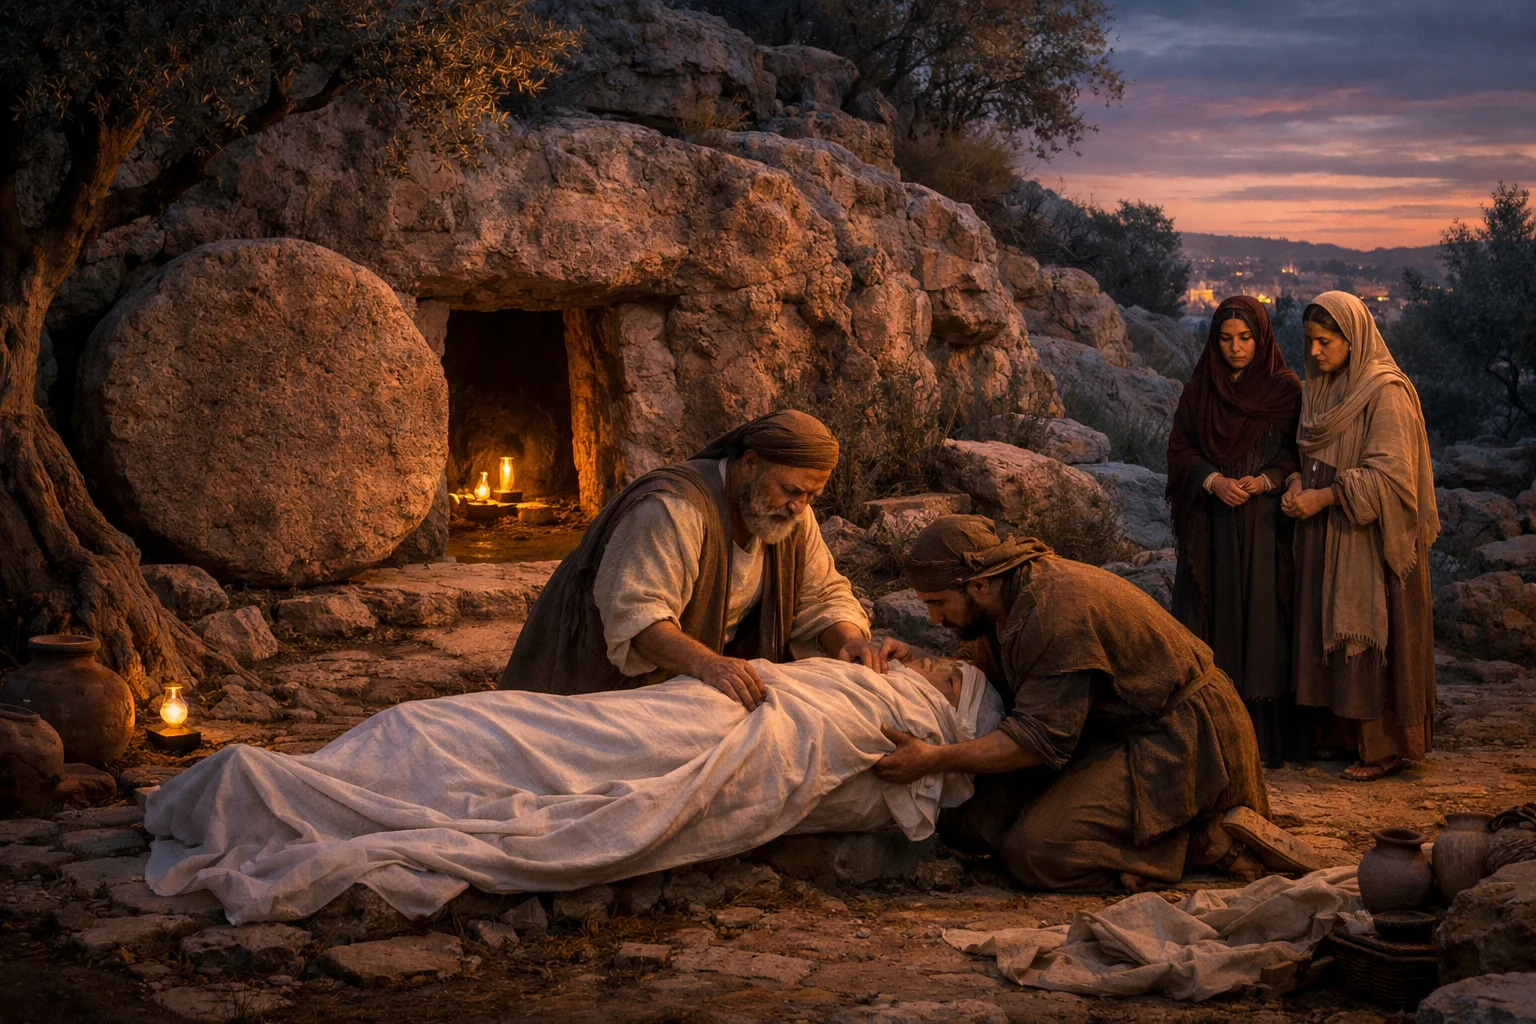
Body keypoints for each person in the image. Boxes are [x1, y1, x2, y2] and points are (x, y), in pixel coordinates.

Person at [146, 656, 1002, 924]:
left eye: (934, 666)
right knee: (477, 726)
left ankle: (283, 786)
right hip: (671, 704)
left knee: (524, 751)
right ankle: (320, 773)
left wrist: (837, 695)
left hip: (711, 731)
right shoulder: (861, 671)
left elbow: (807, 741)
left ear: (948, 705)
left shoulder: (895, 713)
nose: (906, 654)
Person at [872, 515, 1320, 893]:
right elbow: (991, 668)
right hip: (1113, 733)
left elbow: (1037, 740)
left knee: (1035, 852)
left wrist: (932, 759)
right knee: (967, 818)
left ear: (981, 585)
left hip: (1180, 739)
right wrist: (923, 661)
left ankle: (1206, 838)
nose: (933, 618)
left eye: (938, 603)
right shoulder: (1006, 599)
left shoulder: (1051, 612)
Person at [500, 410, 893, 706]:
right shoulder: (673, 509)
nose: (799, 507)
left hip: (691, 688)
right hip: (606, 688)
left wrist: (850, 640)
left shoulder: (792, 515)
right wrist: (708, 664)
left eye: (811, 496)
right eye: (791, 491)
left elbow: (822, 595)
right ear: (750, 463)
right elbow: (639, 620)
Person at [1282, 292, 1439, 781]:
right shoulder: (1322, 388)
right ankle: (1341, 736)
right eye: (1309, 341)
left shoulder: (1385, 392)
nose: (1314, 353)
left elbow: (1391, 479)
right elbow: (1304, 452)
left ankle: (1384, 748)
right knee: (1329, 631)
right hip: (1327, 532)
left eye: (1325, 342)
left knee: (1369, 632)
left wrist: (1324, 497)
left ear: (1354, 339)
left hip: (1370, 539)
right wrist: (1294, 482)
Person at [1166, 296, 1303, 767]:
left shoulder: (1285, 391)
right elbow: (1179, 450)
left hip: (1265, 530)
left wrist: (1267, 480)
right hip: (1213, 527)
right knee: (1212, 624)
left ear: (1261, 337)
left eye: (1245, 338)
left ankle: (1260, 745)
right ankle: (1209, 740)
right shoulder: (1200, 390)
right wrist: (1214, 481)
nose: (1235, 348)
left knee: (1262, 626)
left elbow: (1298, 459)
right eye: (1225, 338)